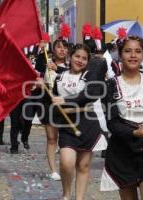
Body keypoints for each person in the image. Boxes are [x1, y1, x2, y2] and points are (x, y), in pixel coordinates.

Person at [100, 36, 143, 199]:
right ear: (120, 55)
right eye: (128, 51)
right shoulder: (110, 85)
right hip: (121, 152)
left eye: (138, 51)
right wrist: (134, 133)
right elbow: (112, 122)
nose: (133, 55)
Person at [51, 44, 107, 200]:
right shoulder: (59, 77)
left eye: (84, 58)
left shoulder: (90, 76)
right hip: (67, 125)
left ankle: (79, 198)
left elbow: (89, 95)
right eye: (77, 56)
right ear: (70, 57)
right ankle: (66, 193)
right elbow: (53, 102)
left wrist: (65, 100)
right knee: (66, 163)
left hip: (88, 123)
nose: (80, 60)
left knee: (83, 166)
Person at [35, 39, 69, 180]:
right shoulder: (46, 62)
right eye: (58, 47)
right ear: (53, 50)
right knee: (51, 138)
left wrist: (58, 68)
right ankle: (53, 170)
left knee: (65, 140)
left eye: (64, 48)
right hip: (48, 105)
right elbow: (38, 65)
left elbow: (72, 76)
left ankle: (66, 165)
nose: (62, 50)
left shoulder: (71, 65)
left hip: (66, 105)